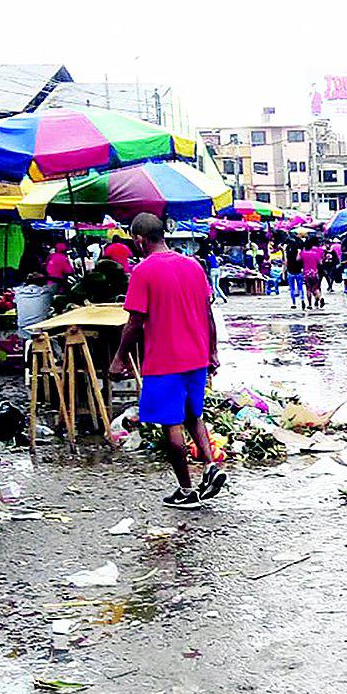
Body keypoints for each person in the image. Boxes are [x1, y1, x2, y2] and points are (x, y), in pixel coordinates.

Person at [109, 213, 227, 510]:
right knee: (192, 415)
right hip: (197, 355)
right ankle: (210, 466)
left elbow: (135, 322)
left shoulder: (143, 271)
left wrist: (119, 357)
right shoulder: (193, 265)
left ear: (139, 239)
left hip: (165, 360)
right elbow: (208, 313)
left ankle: (186, 490)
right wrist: (212, 352)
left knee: (170, 424)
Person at [301, 237, 326, 309]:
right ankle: (320, 298)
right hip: (315, 272)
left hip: (306, 273)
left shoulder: (303, 253)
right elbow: (321, 262)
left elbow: (298, 259)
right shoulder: (317, 252)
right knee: (316, 288)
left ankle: (309, 304)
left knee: (308, 288)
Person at [285, 238, 305, 309]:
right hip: (298, 271)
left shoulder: (287, 252)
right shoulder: (298, 252)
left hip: (290, 272)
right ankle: (302, 299)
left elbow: (286, 262)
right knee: (300, 287)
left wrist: (285, 270)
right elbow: (298, 259)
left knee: (292, 288)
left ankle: (293, 303)